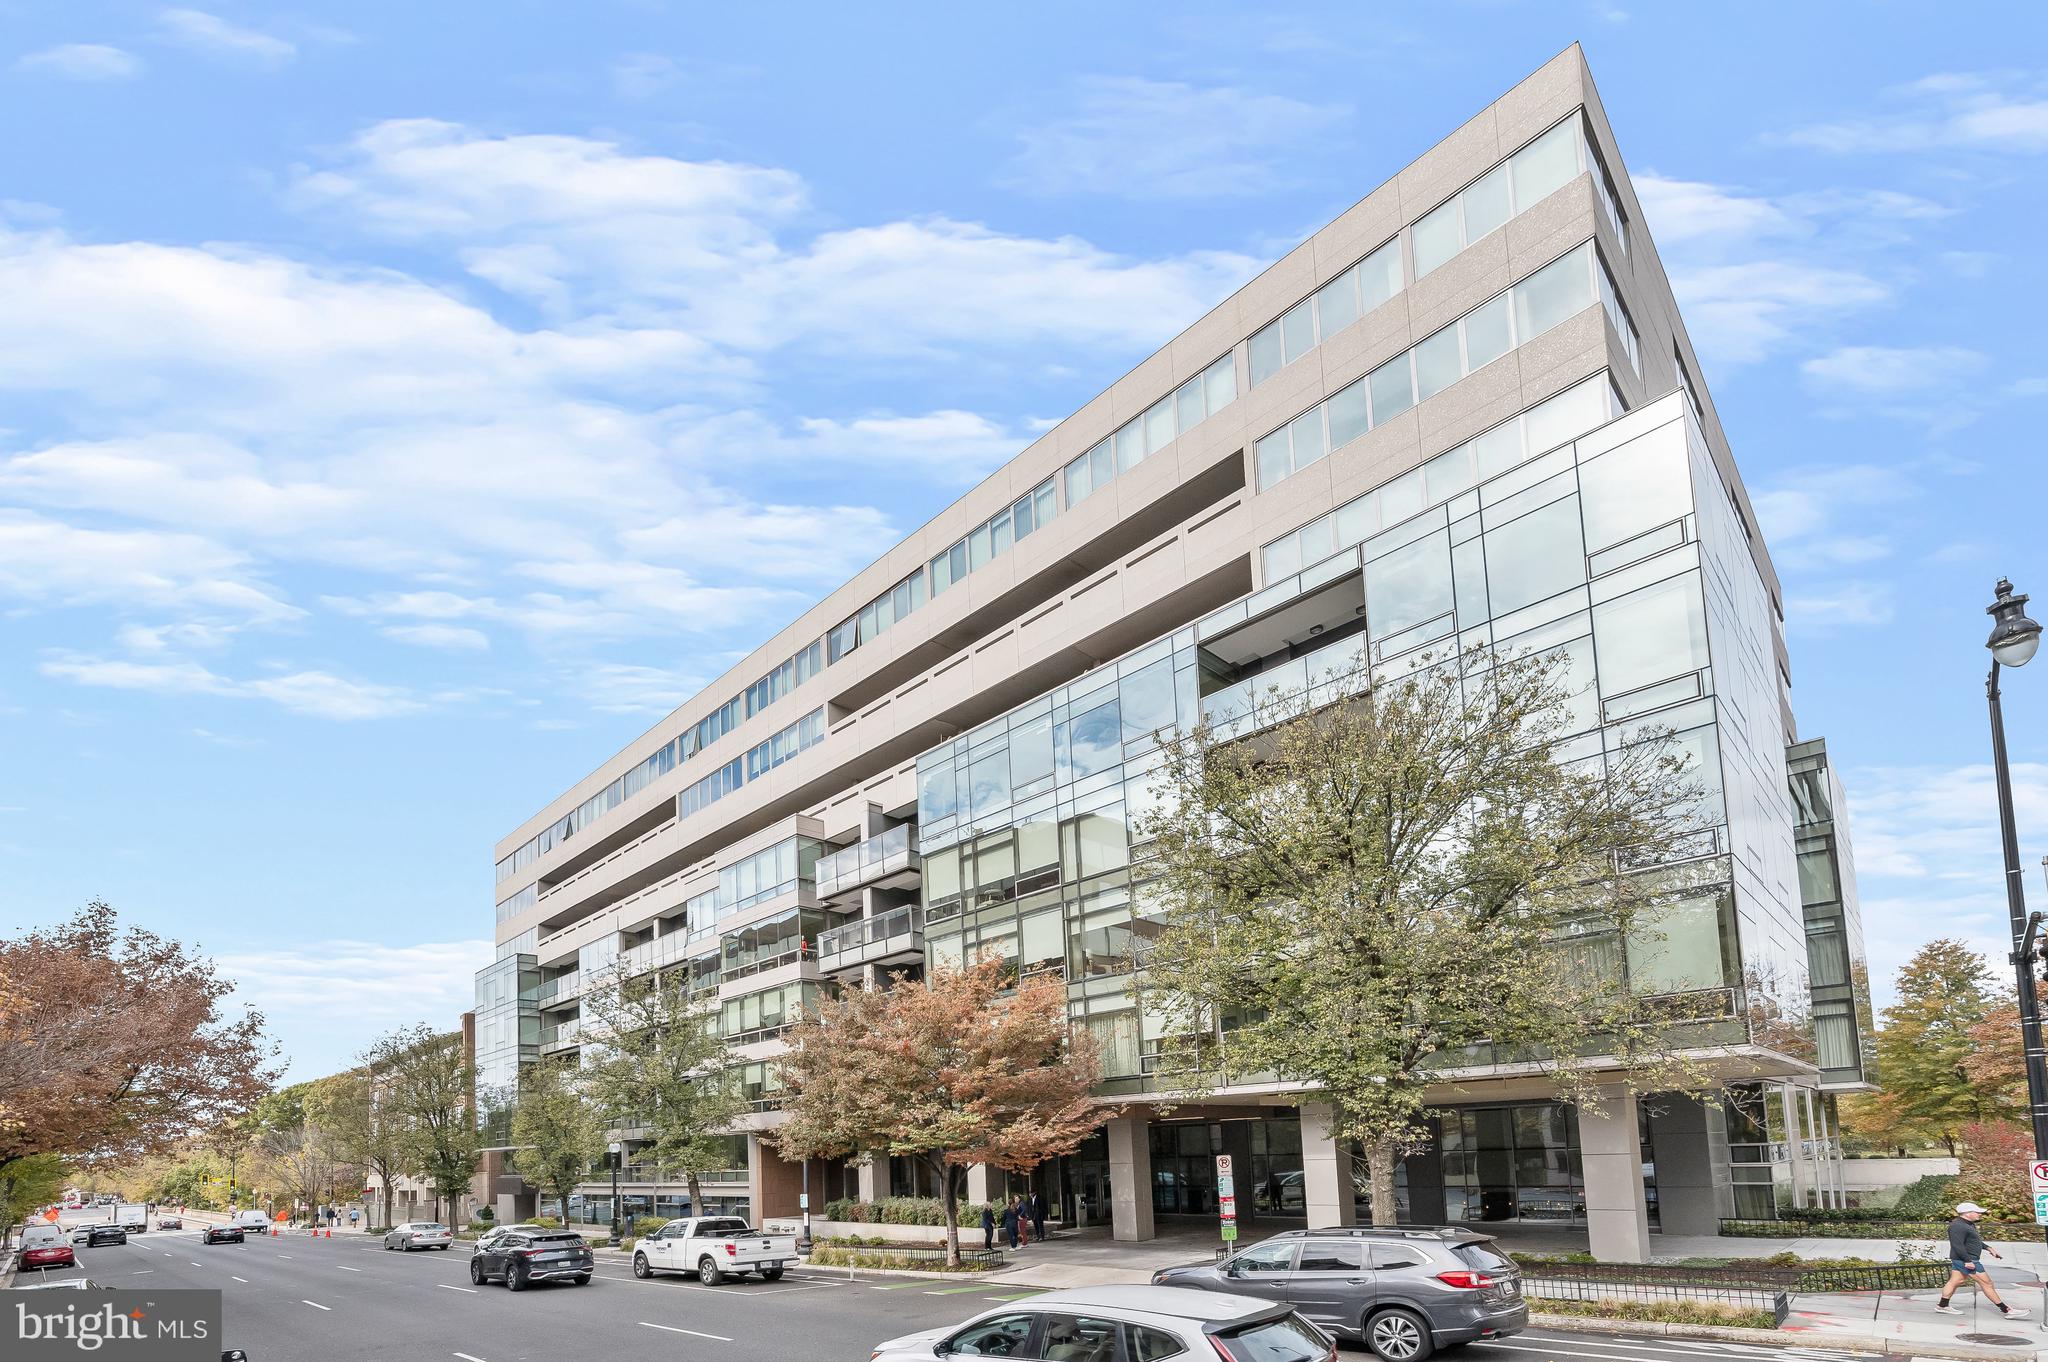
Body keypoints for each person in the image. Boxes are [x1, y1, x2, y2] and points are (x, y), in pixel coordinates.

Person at [1937, 1202, 2029, 1318]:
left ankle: (1942, 1306)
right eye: (1977, 1212)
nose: (1980, 1214)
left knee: (1955, 1281)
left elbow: (1973, 1241)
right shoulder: (1957, 1226)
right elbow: (1957, 1245)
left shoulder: (1969, 1224)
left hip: (1965, 1259)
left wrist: (1988, 1248)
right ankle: (2006, 1310)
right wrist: (1967, 1261)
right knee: (1987, 1283)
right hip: (1967, 1260)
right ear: (1967, 1213)